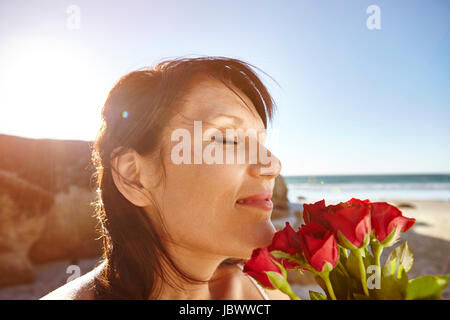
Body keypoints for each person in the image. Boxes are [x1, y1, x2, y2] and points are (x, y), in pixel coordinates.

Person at [41, 56, 288, 300]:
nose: (273, 164)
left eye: (261, 142)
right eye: (227, 139)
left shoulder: (268, 293)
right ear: (133, 176)